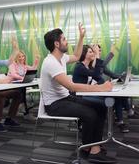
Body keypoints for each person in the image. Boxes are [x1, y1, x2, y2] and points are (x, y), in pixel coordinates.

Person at [41, 23, 117, 163]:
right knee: (90, 114)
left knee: (100, 107)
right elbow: (72, 86)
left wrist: (81, 37)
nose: (67, 41)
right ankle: (89, 149)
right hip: (54, 104)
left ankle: (94, 146)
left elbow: (76, 55)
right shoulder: (50, 62)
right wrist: (101, 88)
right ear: (57, 44)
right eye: (64, 39)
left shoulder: (62, 58)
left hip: (65, 98)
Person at [7, 50, 39, 120]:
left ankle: (23, 110)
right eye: (19, 57)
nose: (21, 58)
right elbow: (13, 74)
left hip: (20, 85)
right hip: (12, 86)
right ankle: (24, 111)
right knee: (21, 94)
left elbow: (33, 69)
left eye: (23, 56)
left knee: (22, 92)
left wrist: (36, 62)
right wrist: (23, 78)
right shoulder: (12, 65)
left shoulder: (24, 66)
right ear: (16, 58)